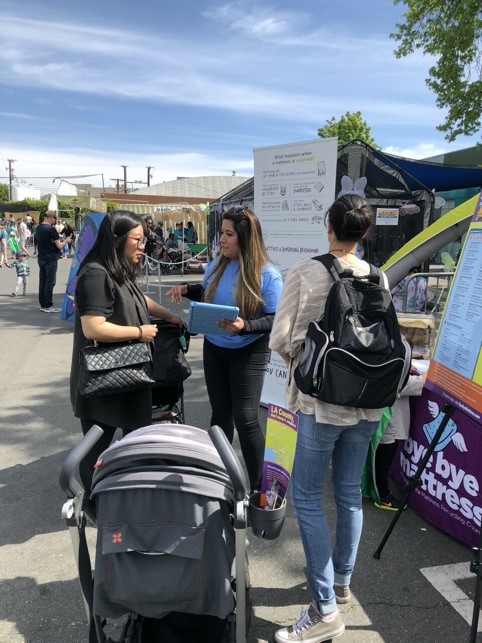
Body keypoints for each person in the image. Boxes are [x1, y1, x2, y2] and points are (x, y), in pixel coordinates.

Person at [269, 194, 385, 643]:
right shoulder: (378, 275)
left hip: (322, 403)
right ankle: (340, 584)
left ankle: (323, 611)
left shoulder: (306, 271)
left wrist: (302, 364)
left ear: (328, 226)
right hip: (367, 400)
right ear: (365, 232)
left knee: (307, 498)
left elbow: (281, 338)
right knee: (350, 495)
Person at [167, 205, 283, 492]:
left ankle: (260, 488)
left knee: (246, 419)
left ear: (245, 237)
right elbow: (208, 291)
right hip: (215, 347)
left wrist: (246, 327)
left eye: (229, 234)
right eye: (222, 233)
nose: (222, 239)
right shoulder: (219, 263)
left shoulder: (267, 274)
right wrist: (186, 288)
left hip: (249, 353)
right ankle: (218, 476)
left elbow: (274, 318)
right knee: (220, 415)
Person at [70, 210, 184, 491]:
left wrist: (169, 316)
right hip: (104, 379)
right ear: (117, 239)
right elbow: (93, 328)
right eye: (138, 239)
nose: (143, 246)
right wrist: (139, 332)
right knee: (96, 450)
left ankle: (127, 498)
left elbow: (137, 297)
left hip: (127, 375)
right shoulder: (95, 275)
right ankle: (91, 505)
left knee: (135, 442)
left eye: (145, 239)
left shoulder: (115, 267)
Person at [374, 366, 426, 510]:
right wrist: (427, 376)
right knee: (382, 459)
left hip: (379, 415)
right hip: (387, 419)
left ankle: (374, 490)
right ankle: (382, 496)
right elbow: (403, 384)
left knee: (378, 456)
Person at [36, 210, 72, 313]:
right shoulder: (51, 229)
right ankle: (48, 305)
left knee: (42, 281)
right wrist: (66, 241)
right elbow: (59, 246)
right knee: (50, 282)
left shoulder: (39, 228)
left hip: (41, 257)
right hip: (50, 257)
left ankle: (43, 304)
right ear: (52, 218)